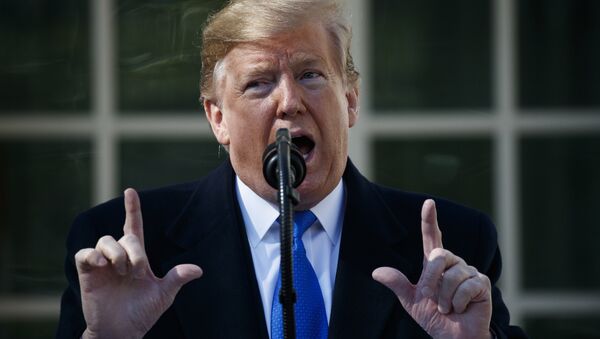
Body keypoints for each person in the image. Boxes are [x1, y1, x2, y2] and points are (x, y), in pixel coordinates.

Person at [56, 0, 527, 338]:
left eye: (310, 74)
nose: (289, 102)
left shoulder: (453, 244)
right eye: (259, 83)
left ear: (350, 100)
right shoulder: (122, 249)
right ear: (217, 117)